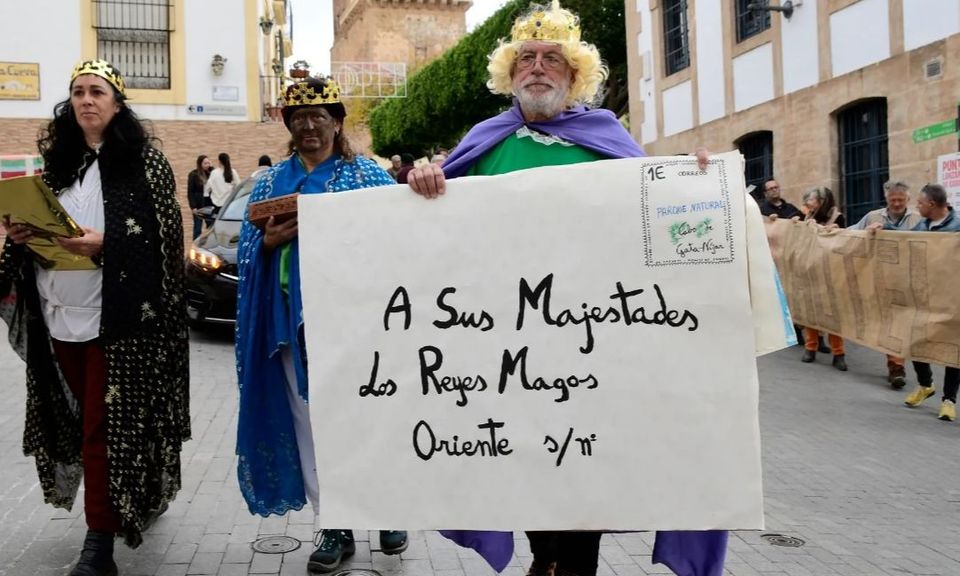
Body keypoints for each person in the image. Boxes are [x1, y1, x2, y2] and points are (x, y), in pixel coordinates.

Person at [408, 3, 724, 576]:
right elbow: (429, 232)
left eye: (552, 58)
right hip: (504, 338)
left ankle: (571, 565)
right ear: (510, 73)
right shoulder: (483, 141)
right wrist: (425, 180)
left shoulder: (608, 138)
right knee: (521, 454)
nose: (537, 68)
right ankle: (543, 557)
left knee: (587, 455)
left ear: (575, 75)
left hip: (592, 339)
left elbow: (657, 214)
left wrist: (696, 181)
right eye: (526, 58)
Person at [0, 59, 190, 576]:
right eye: (77, 92)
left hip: (118, 322)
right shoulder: (57, 166)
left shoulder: (144, 163)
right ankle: (136, 494)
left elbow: (167, 239)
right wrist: (22, 238)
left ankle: (98, 545)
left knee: (102, 429)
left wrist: (108, 244)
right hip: (59, 316)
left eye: (97, 91)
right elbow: (42, 233)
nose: (86, 100)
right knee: (87, 423)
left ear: (117, 103)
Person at [235, 75, 408, 574]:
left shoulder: (369, 177)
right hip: (290, 326)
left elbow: (398, 245)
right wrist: (267, 246)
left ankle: (388, 509)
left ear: (337, 122)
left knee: (367, 419)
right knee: (310, 426)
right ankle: (333, 523)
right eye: (299, 118)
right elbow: (247, 252)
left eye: (319, 117)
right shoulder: (268, 184)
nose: (309, 126)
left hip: (356, 327)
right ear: (289, 126)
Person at [852, 180, 922, 389]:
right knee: (890, 323)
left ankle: (902, 366)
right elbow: (850, 233)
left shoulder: (918, 219)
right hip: (882, 280)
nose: (897, 204)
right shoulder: (873, 217)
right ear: (886, 199)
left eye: (901, 200)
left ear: (908, 199)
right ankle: (895, 365)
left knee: (905, 324)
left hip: (910, 281)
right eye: (893, 200)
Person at [902, 183, 960, 421]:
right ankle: (926, 385)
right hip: (925, 295)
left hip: (953, 297)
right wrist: (878, 229)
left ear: (932, 205)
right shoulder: (923, 226)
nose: (917, 206)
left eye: (920, 203)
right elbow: (901, 239)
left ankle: (949, 401)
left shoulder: (957, 226)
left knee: (953, 346)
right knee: (915, 339)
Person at [798, 186, 848, 371]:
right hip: (811, 270)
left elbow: (844, 241)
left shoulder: (838, 217)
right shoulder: (808, 217)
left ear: (821, 201)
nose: (808, 204)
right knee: (810, 310)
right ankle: (811, 348)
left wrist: (833, 230)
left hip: (831, 272)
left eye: (811, 200)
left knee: (833, 314)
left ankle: (839, 353)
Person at [187, 154, 212, 239]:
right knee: (197, 227)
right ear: (200, 164)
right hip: (198, 205)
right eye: (205, 163)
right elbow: (190, 192)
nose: (207, 165)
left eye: (208, 163)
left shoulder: (211, 173)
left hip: (208, 204)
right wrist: (193, 206)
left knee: (210, 226)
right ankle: (195, 246)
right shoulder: (193, 175)